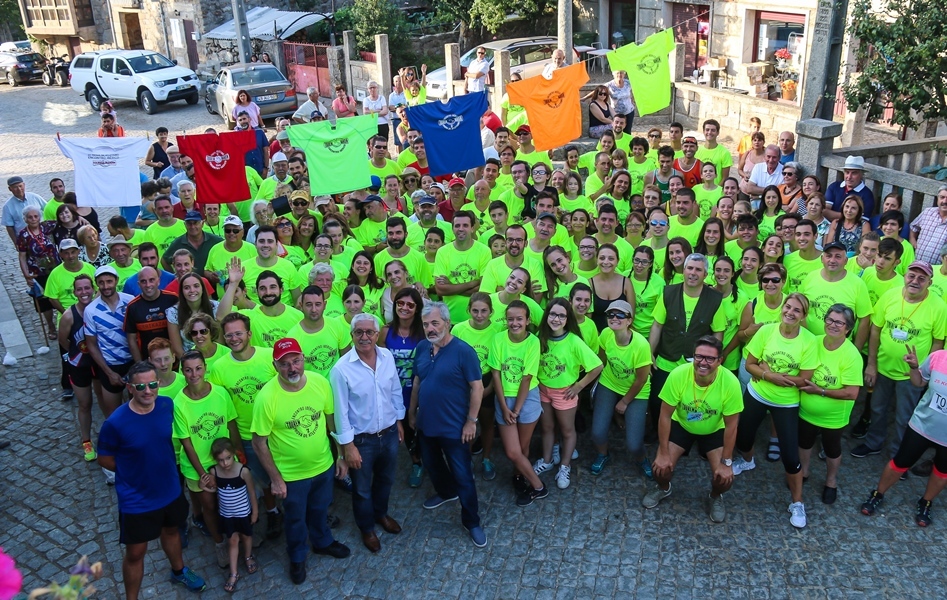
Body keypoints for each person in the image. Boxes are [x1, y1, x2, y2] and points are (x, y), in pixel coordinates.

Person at [97, 361, 208, 598]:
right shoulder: (115, 423)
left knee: (172, 532)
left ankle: (179, 571)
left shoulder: (166, 405)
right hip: (137, 499)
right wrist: (133, 471)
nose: (147, 391)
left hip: (170, 489)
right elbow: (104, 459)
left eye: (152, 384)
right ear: (129, 387)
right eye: (140, 387)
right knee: (136, 553)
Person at [252, 337, 351, 584]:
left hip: (323, 466)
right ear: (275, 366)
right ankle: (297, 556)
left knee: (321, 508)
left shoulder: (319, 383)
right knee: (295, 519)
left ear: (303, 359)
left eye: (296, 361)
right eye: (284, 364)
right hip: (291, 476)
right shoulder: (267, 397)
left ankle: (322, 542)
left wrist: (340, 456)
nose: (292, 368)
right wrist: (275, 479)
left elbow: (331, 423)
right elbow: (258, 443)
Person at [734, 293, 817, 528]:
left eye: (797, 310)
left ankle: (797, 503)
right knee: (744, 437)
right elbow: (749, 364)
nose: (790, 312)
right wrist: (768, 374)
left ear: (804, 316)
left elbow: (805, 379)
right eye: (787, 307)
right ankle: (748, 460)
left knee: (791, 457)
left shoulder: (809, 341)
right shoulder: (765, 331)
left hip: (786, 403)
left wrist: (773, 375)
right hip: (757, 394)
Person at [409, 302, 486, 547]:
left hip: (454, 426)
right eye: (426, 324)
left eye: (435, 323)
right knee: (432, 464)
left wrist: (471, 422)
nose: (430, 328)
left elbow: (478, 387)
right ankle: (445, 492)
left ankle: (471, 521)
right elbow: (418, 382)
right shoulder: (422, 348)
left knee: (463, 475)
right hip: (426, 423)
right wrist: (412, 413)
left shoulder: (464, 351)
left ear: (447, 322)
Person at [643, 335, 742, 522]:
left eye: (710, 358)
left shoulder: (730, 383)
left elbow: (731, 426)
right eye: (699, 357)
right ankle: (663, 488)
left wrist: (727, 462)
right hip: (682, 424)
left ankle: (715, 496)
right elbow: (664, 415)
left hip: (714, 430)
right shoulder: (678, 374)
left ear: (720, 361)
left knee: (725, 479)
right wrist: (663, 451)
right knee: (659, 469)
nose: (703, 362)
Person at [855, 261, 947, 458]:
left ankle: (899, 456)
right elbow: (875, 330)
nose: (915, 281)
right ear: (904, 276)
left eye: (922, 278)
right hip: (882, 367)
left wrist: (924, 373)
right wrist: (871, 364)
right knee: (877, 408)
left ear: (930, 282)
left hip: (912, 374)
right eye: (911, 276)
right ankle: (873, 443)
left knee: (904, 417)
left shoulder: (939, 307)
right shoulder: (890, 296)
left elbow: (938, 342)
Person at [330, 313, 405, 553]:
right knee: (361, 489)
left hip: (389, 432)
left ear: (377, 334)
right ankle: (366, 527)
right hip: (362, 440)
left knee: (386, 479)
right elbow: (340, 412)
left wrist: (399, 421)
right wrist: (347, 447)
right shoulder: (341, 369)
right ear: (351, 335)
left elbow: (394, 390)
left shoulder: (387, 357)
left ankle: (380, 514)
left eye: (369, 332)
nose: (364, 337)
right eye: (359, 332)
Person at [860, 345, 947, 527]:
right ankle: (878, 493)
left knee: (942, 471)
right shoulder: (938, 357)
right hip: (923, 426)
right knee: (900, 462)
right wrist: (914, 367)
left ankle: (926, 502)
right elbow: (918, 383)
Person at [172, 350, 241, 569]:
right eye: (189, 370)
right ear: (182, 372)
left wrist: (239, 454)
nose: (194, 374)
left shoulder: (220, 393)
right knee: (209, 506)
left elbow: (231, 424)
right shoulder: (179, 403)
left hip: (225, 461)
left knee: (231, 503)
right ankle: (220, 544)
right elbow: (186, 443)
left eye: (198, 368)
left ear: (205, 368)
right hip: (197, 466)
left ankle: (238, 537)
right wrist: (203, 473)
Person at [532, 299, 603, 489]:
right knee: (547, 427)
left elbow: (597, 366)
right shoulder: (541, 336)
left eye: (561, 315)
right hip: (543, 389)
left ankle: (564, 465)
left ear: (567, 318)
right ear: (547, 315)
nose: (556, 319)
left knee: (567, 430)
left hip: (564, 392)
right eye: (553, 314)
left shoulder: (573, 341)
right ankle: (547, 460)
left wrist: (579, 386)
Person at [797, 305, 863, 505]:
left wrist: (821, 391)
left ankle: (831, 480)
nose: (833, 325)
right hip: (806, 410)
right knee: (804, 441)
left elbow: (852, 393)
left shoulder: (851, 355)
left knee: (832, 448)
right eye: (830, 320)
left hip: (833, 417)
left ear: (848, 329)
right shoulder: (813, 342)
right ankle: (804, 471)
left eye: (839, 322)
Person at [200, 438, 258, 594]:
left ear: (234, 455)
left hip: (243, 512)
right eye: (220, 460)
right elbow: (212, 490)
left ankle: (247, 556)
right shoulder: (214, 472)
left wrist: (255, 512)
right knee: (232, 541)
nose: (225, 463)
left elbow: (252, 493)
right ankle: (233, 572)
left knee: (246, 536)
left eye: (228, 458)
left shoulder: (243, 471)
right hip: (227, 515)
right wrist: (202, 484)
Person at [59, 274, 105, 462]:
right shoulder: (69, 316)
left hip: (99, 363)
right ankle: (86, 441)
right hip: (79, 365)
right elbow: (63, 341)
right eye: (80, 289)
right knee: (85, 404)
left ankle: (110, 435)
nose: (84, 292)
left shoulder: (98, 309)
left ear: (93, 289)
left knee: (104, 399)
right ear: (75, 292)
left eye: (87, 288)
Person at [17, 204, 59, 338]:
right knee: (44, 301)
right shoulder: (23, 235)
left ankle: (63, 320)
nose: (34, 219)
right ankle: (51, 326)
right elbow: (22, 256)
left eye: (36, 216)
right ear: (25, 219)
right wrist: (26, 275)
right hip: (37, 272)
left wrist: (83, 219)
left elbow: (65, 219)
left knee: (58, 295)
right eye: (30, 217)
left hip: (55, 269)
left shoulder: (47, 227)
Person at [124, 267, 178, 361]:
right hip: (148, 362)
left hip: (174, 360)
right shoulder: (133, 306)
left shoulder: (172, 299)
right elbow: (131, 340)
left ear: (158, 281)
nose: (148, 285)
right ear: (139, 284)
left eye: (151, 280)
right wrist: (140, 364)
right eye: (143, 281)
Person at [824, 155, 875, 220]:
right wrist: (851, 216)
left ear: (861, 175)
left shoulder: (867, 195)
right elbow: (824, 211)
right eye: (847, 172)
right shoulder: (834, 186)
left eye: (854, 173)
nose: (849, 176)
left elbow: (862, 220)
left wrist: (834, 214)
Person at [909, 185, 947, 265]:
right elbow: (913, 227)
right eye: (942, 197)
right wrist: (912, 240)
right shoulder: (928, 212)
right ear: (938, 199)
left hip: (936, 271)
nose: (945, 201)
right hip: (915, 264)